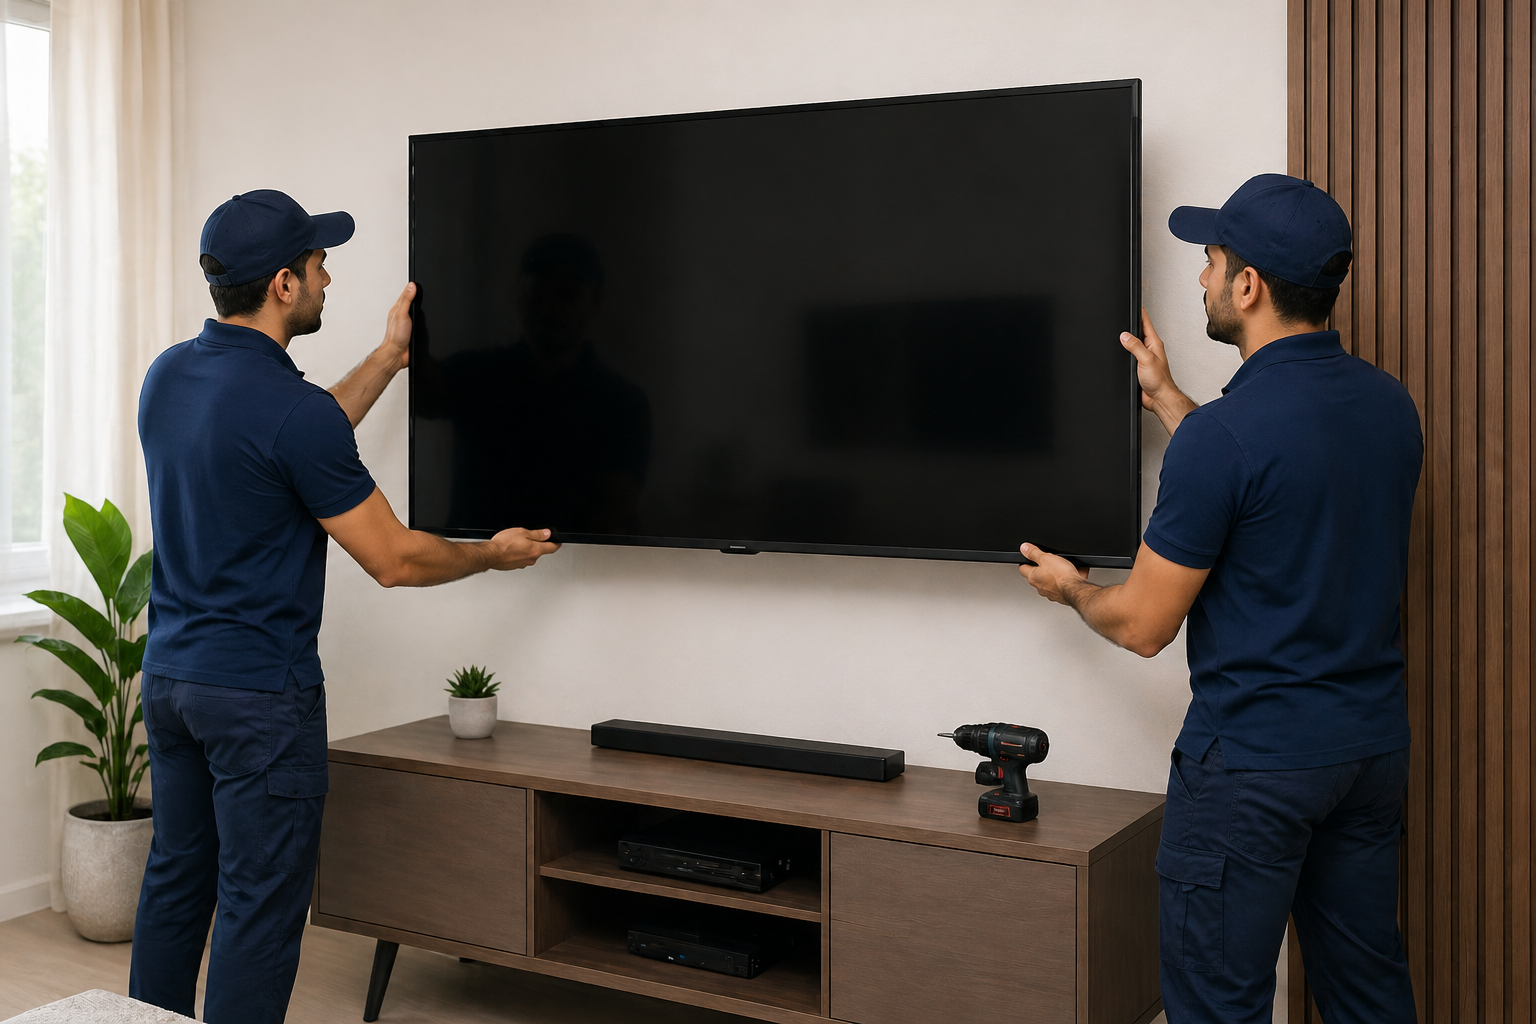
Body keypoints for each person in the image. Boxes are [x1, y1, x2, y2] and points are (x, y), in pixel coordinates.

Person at [131, 190, 560, 1024]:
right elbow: (394, 559)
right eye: (320, 264)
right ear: (284, 285)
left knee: (178, 881)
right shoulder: (291, 415)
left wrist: (388, 359)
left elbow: (294, 440)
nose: (330, 276)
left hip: (173, 681)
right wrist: (492, 555)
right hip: (259, 700)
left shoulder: (171, 375)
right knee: (259, 906)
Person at [1017, 174, 1421, 1024]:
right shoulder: (1389, 408)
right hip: (1367, 754)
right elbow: (1281, 485)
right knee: (1366, 998)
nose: (1200, 279)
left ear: (1248, 286)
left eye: (1209, 262)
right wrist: (1171, 400)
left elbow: (1143, 625)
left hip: (1253, 770)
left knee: (1215, 1007)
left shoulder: (1225, 441)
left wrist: (1073, 590)